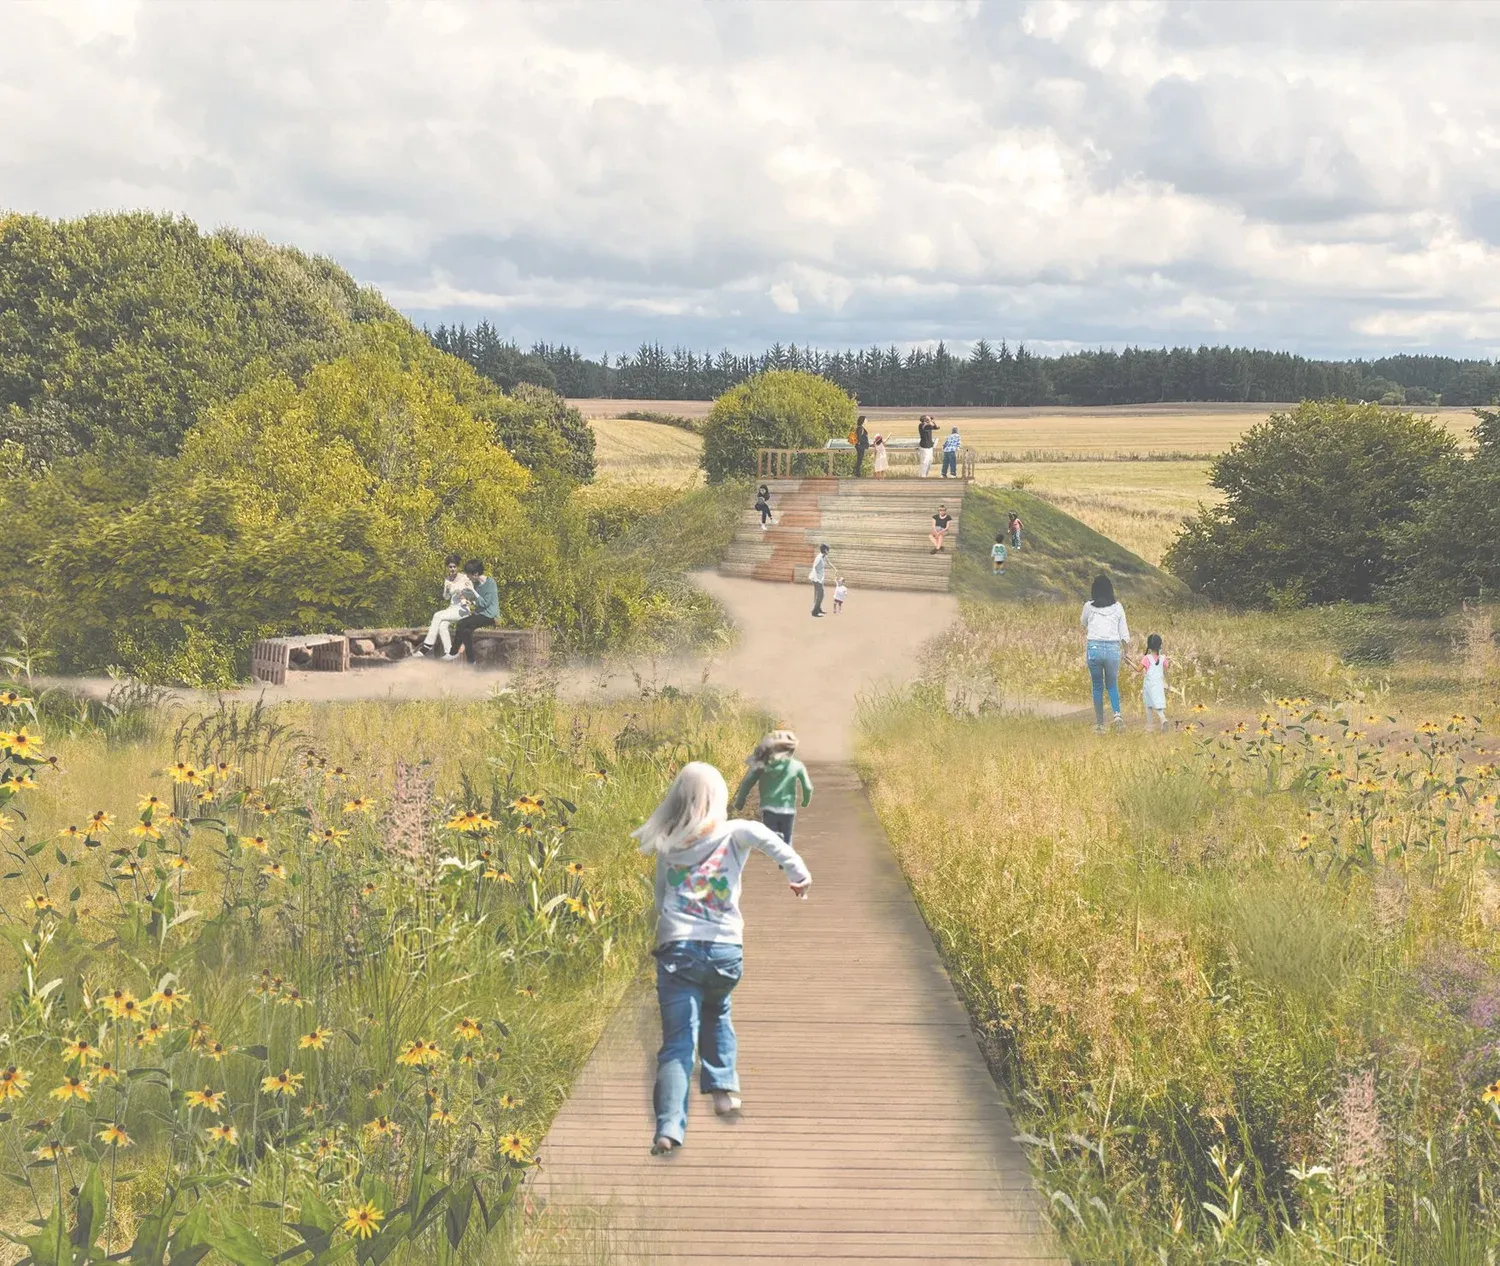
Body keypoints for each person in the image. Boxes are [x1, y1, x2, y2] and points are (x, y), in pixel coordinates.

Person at [633, 761, 811, 1155]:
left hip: (678, 950)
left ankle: (668, 1129)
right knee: (718, 1011)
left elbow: (661, 897)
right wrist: (797, 874)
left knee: (677, 1043)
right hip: (724, 951)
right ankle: (724, 1090)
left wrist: (663, 934)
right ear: (720, 797)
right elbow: (772, 841)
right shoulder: (735, 832)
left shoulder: (668, 841)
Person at [731, 730, 814, 844]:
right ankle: (784, 855)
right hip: (788, 809)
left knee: (770, 835)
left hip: (768, 807)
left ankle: (776, 837)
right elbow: (808, 787)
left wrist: (740, 802)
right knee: (787, 840)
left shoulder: (762, 765)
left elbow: (748, 782)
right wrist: (805, 801)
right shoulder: (797, 765)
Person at [1081, 574, 1130, 733]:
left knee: (1097, 686)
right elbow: (1124, 633)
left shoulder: (1088, 606)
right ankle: (1117, 715)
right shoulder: (1118, 607)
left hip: (1094, 648)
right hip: (1112, 649)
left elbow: (1083, 623)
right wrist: (1126, 653)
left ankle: (1100, 724)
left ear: (1094, 590)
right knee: (1112, 684)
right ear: (1111, 590)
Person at [415, 554, 475, 657]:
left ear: (458, 567)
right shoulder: (447, 579)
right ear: (447, 567)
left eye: (454, 566)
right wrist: (447, 590)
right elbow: (446, 597)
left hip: (463, 609)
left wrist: (465, 595)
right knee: (442, 625)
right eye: (450, 567)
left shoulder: (465, 578)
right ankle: (450, 652)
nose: (452, 569)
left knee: (437, 615)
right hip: (452, 609)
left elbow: (472, 594)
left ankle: (427, 646)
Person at [449, 559, 499, 664]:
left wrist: (473, 590)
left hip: (490, 615)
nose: (468, 577)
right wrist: (461, 592)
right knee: (466, 631)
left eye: (469, 575)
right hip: (479, 614)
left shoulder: (490, 583)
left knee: (461, 623)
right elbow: (470, 595)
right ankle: (471, 661)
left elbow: (485, 603)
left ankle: (452, 653)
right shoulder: (476, 584)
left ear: (476, 574)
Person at [1140, 633, 1169, 731]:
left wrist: (1128, 661)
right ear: (1160, 645)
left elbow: (1138, 669)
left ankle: (1150, 726)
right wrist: (1168, 685)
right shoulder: (1163, 658)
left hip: (1149, 685)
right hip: (1159, 684)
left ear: (1148, 645)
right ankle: (1163, 719)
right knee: (1158, 704)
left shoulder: (1146, 658)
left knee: (1149, 705)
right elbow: (1166, 669)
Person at [808, 544, 829, 617]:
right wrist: (817, 579)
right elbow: (814, 567)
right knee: (819, 595)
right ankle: (814, 612)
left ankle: (818, 609)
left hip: (820, 578)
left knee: (821, 594)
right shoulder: (819, 558)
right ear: (824, 550)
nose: (828, 551)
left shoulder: (823, 557)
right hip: (816, 579)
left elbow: (825, 564)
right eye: (827, 550)